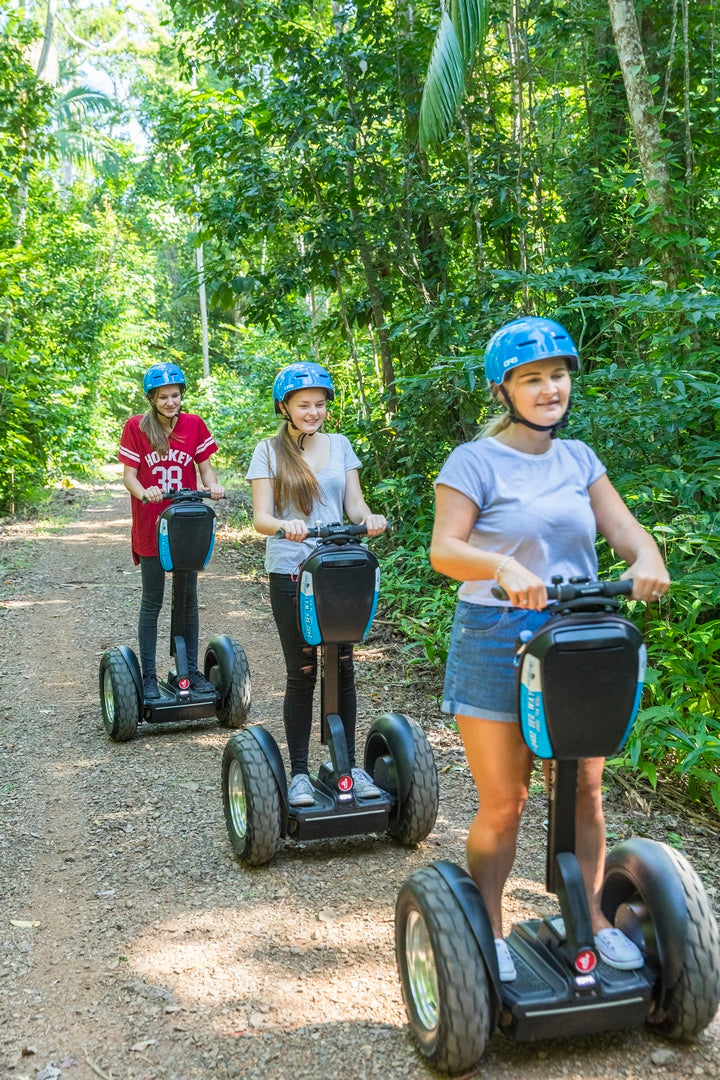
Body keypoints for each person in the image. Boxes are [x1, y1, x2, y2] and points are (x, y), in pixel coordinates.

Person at [430, 316, 670, 982]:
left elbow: (624, 529)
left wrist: (647, 556)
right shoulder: (473, 461)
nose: (549, 389)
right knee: (505, 800)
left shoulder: (578, 459)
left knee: (586, 792)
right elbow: (444, 549)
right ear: (502, 391)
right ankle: (488, 924)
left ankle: (589, 916)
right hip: (495, 633)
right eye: (531, 379)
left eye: (557, 376)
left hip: (576, 632)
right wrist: (500, 567)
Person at [246, 361, 387, 808]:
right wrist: (284, 526)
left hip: (337, 569)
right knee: (303, 670)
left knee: (343, 664)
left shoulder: (341, 445)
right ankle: (301, 775)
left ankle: (348, 768)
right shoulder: (268, 452)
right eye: (304, 405)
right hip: (291, 570)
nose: (313, 412)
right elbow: (260, 517)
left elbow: (355, 503)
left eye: (320, 405)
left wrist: (370, 519)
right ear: (283, 407)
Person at [119, 362, 225, 701]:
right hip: (152, 525)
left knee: (188, 598)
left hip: (186, 525)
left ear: (182, 395)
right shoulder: (136, 427)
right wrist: (143, 492)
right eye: (163, 397)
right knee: (153, 600)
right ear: (152, 398)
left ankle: (190, 671)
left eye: (175, 395)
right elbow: (129, 476)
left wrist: (214, 486)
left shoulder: (194, 425)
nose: (170, 402)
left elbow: (205, 469)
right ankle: (148, 676)